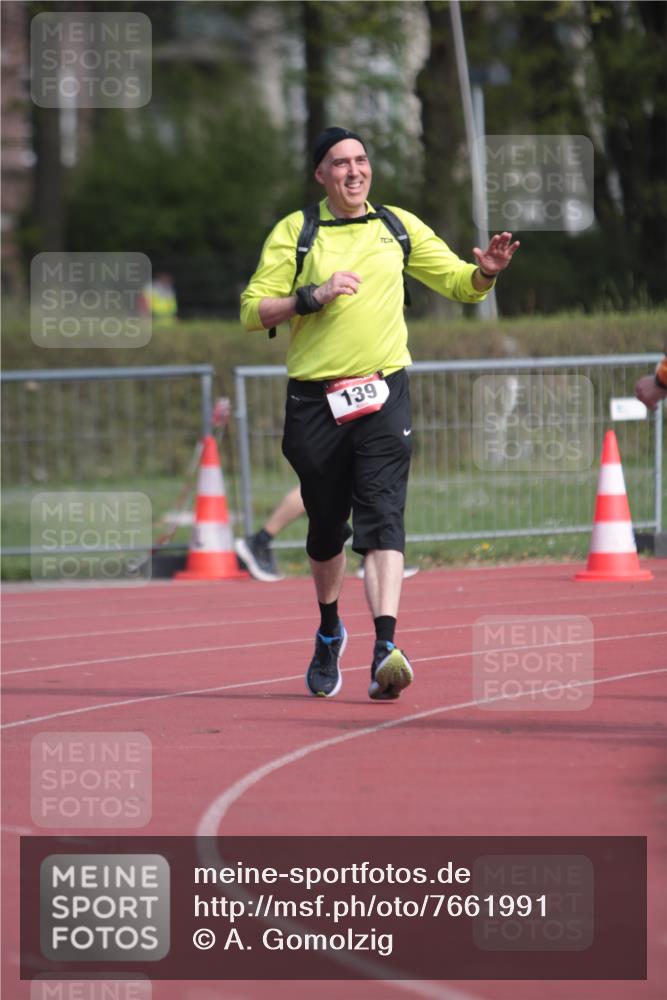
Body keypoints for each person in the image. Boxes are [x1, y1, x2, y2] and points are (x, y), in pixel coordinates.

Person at [240, 126, 519, 700]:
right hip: (315, 400)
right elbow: (251, 311)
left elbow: (460, 285)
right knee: (324, 530)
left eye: (361, 160)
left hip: (383, 393)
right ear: (321, 174)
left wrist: (487, 270)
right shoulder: (298, 232)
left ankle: (386, 645)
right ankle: (328, 629)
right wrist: (309, 297)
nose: (353, 171)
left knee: (384, 515)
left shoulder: (397, 226)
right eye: (339, 163)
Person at [236, 484, 420, 582]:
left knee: (360, 479)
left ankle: (374, 552)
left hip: (344, 416)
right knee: (321, 485)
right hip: (338, 417)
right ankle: (259, 540)